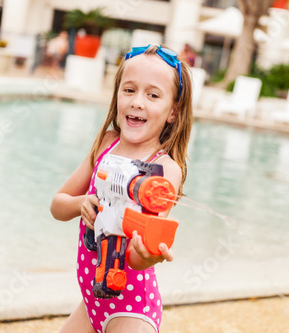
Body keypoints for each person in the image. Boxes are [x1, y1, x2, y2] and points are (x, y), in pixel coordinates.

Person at [50, 44, 193, 333]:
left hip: (133, 311)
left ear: (173, 112)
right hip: (92, 304)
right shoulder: (107, 144)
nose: (137, 102)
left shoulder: (163, 170)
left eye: (153, 95)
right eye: (129, 90)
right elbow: (57, 204)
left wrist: (147, 255)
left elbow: (137, 260)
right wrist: (81, 205)